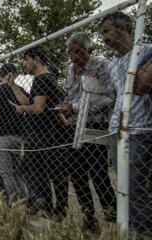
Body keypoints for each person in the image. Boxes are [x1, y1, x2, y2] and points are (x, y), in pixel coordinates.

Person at [57, 32, 117, 231]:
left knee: (99, 174)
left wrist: (76, 107)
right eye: (70, 52)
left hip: (94, 127)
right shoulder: (69, 70)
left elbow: (110, 97)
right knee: (77, 175)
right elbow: (70, 95)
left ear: (90, 51)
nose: (73, 57)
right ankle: (89, 219)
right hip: (73, 128)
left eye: (78, 52)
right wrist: (66, 107)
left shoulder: (101, 65)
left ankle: (113, 217)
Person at [100, 12, 152, 235]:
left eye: (107, 32)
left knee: (135, 184)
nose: (103, 38)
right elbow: (115, 95)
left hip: (140, 128)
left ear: (123, 29)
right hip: (116, 128)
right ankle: (128, 229)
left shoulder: (146, 52)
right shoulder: (113, 65)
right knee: (122, 185)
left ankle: (144, 231)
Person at [11, 46, 69, 219]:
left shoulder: (42, 79)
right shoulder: (46, 79)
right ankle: (52, 208)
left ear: (36, 59)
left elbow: (37, 107)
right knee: (48, 172)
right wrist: (12, 85)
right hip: (45, 133)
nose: (24, 64)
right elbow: (30, 101)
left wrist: (22, 109)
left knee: (37, 170)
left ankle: (48, 205)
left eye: (26, 59)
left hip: (40, 133)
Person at [0, 63, 28, 200]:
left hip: (2, 137)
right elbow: (27, 103)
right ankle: (24, 199)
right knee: (17, 172)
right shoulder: (21, 90)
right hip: (18, 136)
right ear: (15, 75)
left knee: (6, 173)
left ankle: (15, 201)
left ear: (1, 75)